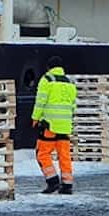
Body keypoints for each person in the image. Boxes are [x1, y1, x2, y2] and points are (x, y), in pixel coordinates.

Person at [32, 56, 77, 194]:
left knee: (42, 153)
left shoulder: (47, 80)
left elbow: (41, 101)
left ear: (49, 67)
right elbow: (73, 105)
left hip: (50, 125)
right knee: (64, 155)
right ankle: (67, 185)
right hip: (65, 126)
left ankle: (52, 181)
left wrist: (35, 118)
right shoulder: (70, 82)